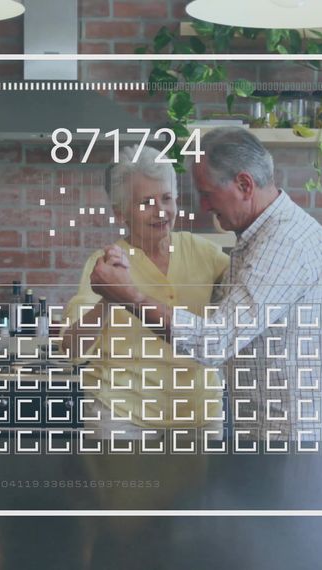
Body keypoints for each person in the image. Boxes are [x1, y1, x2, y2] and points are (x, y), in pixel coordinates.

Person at [89, 127, 322, 446]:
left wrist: (128, 296)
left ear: (243, 185)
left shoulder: (284, 245)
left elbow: (214, 343)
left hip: (299, 442)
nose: (203, 207)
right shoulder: (255, 240)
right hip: (273, 437)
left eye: (207, 193)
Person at [63, 144, 230, 440]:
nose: (161, 211)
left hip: (199, 417)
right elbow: (71, 350)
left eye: (166, 199)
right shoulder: (105, 263)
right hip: (122, 418)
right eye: (146, 203)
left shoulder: (206, 254)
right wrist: (109, 298)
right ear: (121, 213)